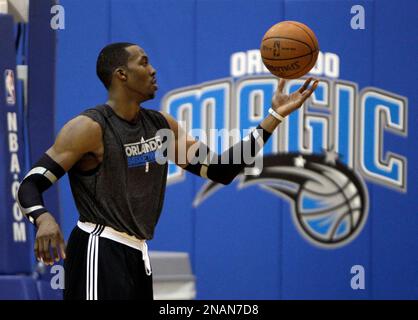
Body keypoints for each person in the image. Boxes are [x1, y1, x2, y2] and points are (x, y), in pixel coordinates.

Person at [17, 42, 318, 300]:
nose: (153, 70)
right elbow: (30, 184)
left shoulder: (161, 125)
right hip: (99, 248)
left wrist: (274, 116)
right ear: (121, 75)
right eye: (144, 63)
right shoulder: (89, 127)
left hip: (137, 254)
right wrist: (42, 218)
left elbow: (221, 170)